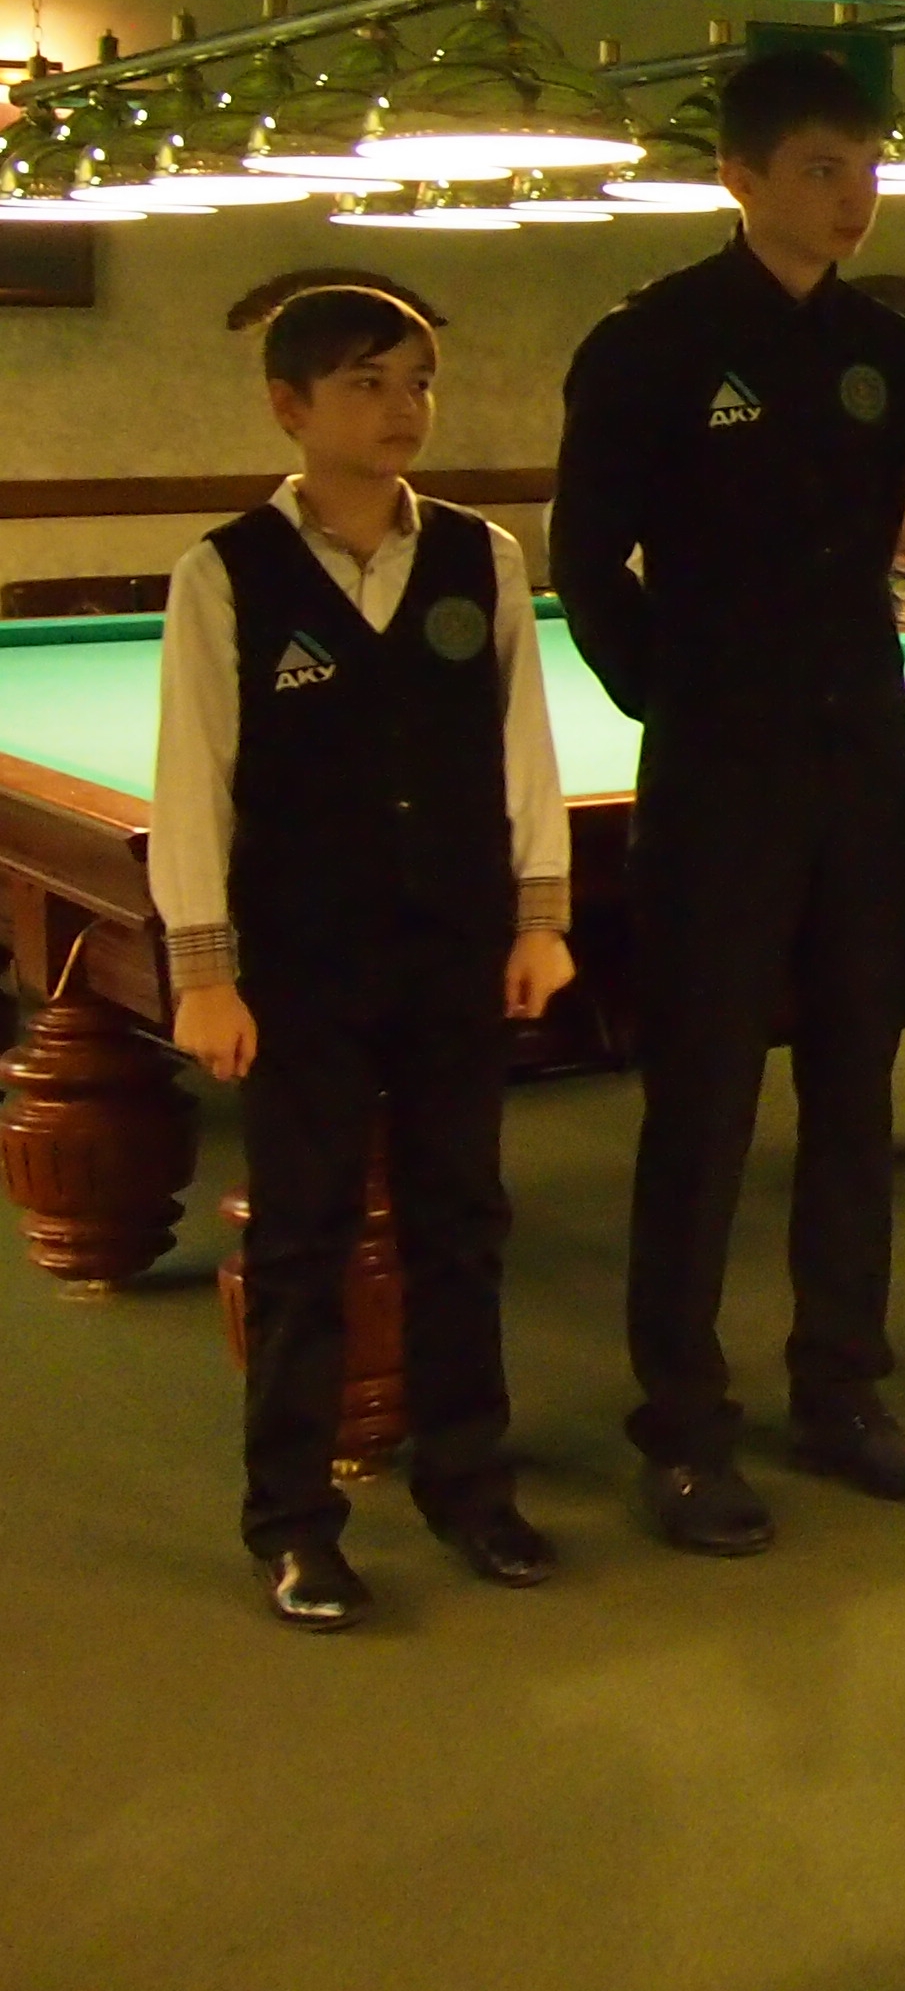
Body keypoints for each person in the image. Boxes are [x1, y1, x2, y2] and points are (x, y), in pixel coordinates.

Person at [555, 45, 905, 1556]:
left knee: (856, 1090)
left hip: (863, 763)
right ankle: (683, 1425)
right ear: (740, 178)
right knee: (705, 1104)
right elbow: (588, 565)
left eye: (867, 171)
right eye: (821, 171)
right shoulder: (650, 342)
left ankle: (841, 1389)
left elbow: (875, 554)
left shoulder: (885, 348)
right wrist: (684, 704)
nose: (854, 199)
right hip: (720, 773)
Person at [160, 286, 571, 1627]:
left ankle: (470, 1486)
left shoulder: (478, 557)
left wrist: (541, 919)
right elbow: (194, 781)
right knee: (303, 1238)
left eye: (417, 383)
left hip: (454, 945)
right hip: (303, 963)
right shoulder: (228, 572)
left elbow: (523, 749)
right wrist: (204, 971)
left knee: (464, 1224)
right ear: (290, 407)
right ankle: (293, 1523)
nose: (402, 409)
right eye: (366, 384)